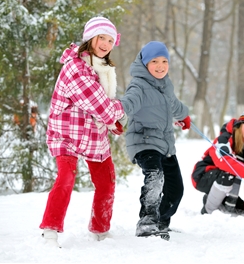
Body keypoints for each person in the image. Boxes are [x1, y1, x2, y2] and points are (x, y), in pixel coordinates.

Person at [39, 17, 125, 247]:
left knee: (106, 181)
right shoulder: (76, 68)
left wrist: (112, 122)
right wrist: (122, 106)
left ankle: (100, 230)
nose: (106, 44)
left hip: (92, 134)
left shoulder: (101, 68)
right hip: (67, 134)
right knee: (66, 177)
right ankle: (50, 230)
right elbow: (103, 107)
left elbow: (102, 109)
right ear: (90, 39)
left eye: (110, 40)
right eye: (101, 38)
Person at [118, 41, 190, 240]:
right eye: (155, 61)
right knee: (155, 175)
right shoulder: (139, 85)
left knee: (176, 189)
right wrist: (117, 111)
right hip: (144, 140)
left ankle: (161, 221)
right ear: (145, 64)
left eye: (164, 61)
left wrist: (184, 115)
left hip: (165, 144)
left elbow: (174, 105)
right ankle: (147, 222)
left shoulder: (166, 84)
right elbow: (129, 102)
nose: (160, 66)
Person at [191, 106, 244, 215]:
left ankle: (218, 201)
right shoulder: (224, 139)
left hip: (226, 182)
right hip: (203, 175)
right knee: (228, 173)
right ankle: (208, 211)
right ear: (240, 124)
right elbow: (225, 162)